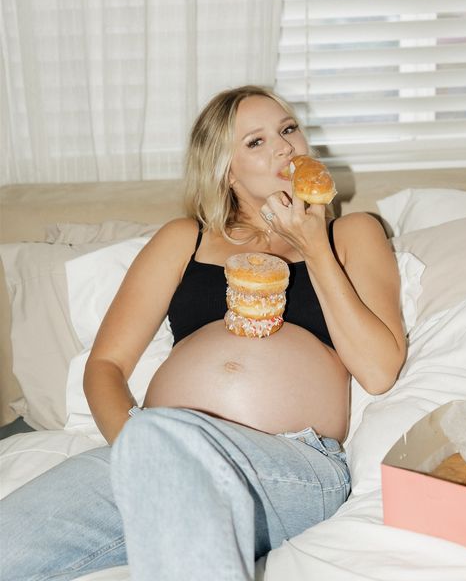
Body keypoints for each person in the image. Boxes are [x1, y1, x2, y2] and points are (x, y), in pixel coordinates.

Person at [0, 85, 406, 581]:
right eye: (256, 142)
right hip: (154, 444)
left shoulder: (351, 233)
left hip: (290, 464)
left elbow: (379, 370)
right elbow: (105, 366)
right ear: (225, 169)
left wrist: (314, 246)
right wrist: (137, 449)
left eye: (287, 129)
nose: (284, 146)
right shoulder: (181, 238)